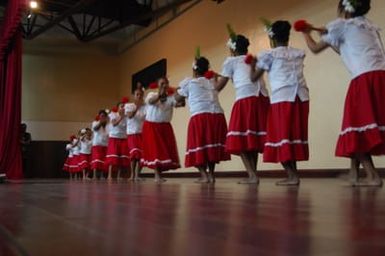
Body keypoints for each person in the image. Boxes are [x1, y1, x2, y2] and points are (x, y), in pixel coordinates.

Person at [300, 0, 384, 186]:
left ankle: (373, 176)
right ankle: (353, 173)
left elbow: (315, 48)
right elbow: (343, 48)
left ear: (343, 9)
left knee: (355, 126)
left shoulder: (342, 25)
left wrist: (306, 33)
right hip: (380, 78)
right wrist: (328, 37)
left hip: (363, 80)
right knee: (359, 127)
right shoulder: (367, 26)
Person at [250, 20, 310, 186]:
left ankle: (292, 175)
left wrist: (252, 65)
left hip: (282, 98)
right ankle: (293, 175)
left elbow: (254, 78)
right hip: (301, 97)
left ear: (272, 38)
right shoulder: (298, 52)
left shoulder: (270, 54)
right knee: (292, 135)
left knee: (280, 135)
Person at [214, 28, 270, 184]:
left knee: (240, 137)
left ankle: (252, 175)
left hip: (245, 99)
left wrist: (210, 84)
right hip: (261, 98)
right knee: (252, 137)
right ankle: (253, 174)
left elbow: (219, 87)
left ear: (232, 48)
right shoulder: (254, 59)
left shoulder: (230, 61)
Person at [175, 55, 230, 183]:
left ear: (194, 70)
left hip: (200, 117)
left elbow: (177, 98)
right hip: (217, 116)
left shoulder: (190, 82)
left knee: (197, 147)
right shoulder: (211, 81)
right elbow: (218, 86)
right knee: (210, 148)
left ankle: (204, 176)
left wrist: (178, 89)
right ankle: (211, 175)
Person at [141, 77, 181, 183]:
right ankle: (157, 176)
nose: (164, 85)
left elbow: (180, 104)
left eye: (166, 83)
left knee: (164, 151)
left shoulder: (171, 97)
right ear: (158, 85)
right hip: (151, 126)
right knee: (156, 151)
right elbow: (150, 101)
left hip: (165, 126)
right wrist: (160, 94)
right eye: (162, 83)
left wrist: (180, 92)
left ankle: (159, 175)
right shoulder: (152, 95)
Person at [105, 98, 130, 181]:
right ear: (118, 107)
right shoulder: (113, 114)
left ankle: (119, 175)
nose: (123, 108)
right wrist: (121, 117)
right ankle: (109, 175)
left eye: (124, 106)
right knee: (113, 157)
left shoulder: (127, 117)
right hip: (114, 138)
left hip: (123, 138)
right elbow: (114, 124)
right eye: (121, 106)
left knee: (121, 158)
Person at [125, 86, 146, 182]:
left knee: (141, 156)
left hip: (141, 133)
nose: (139, 96)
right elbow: (130, 116)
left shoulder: (145, 107)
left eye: (141, 95)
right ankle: (132, 175)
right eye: (137, 94)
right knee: (134, 154)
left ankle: (138, 175)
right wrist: (137, 106)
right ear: (134, 96)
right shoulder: (129, 106)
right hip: (132, 133)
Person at [91, 110, 109, 180]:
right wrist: (101, 122)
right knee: (97, 159)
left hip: (105, 145)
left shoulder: (108, 125)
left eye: (104, 116)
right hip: (97, 144)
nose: (103, 117)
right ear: (99, 116)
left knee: (103, 160)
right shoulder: (95, 122)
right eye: (101, 116)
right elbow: (95, 129)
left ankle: (102, 175)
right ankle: (94, 176)